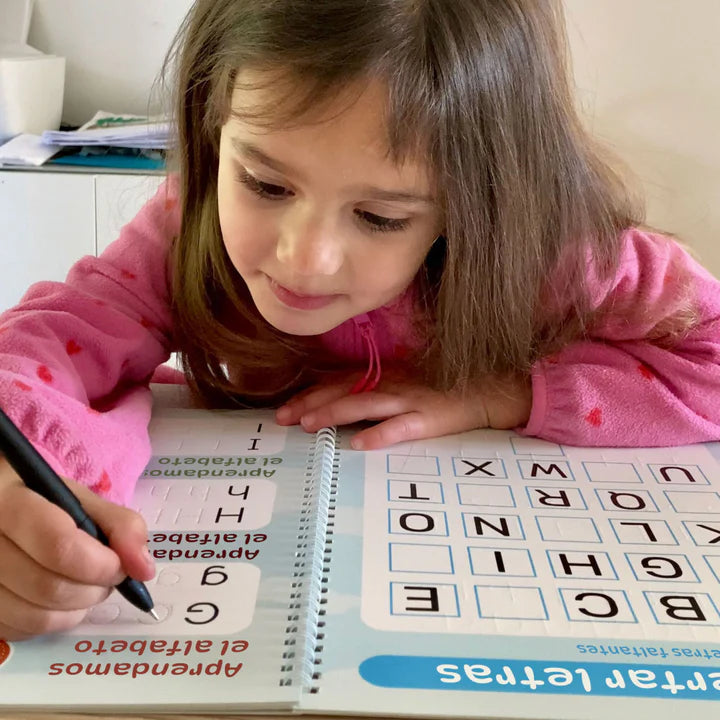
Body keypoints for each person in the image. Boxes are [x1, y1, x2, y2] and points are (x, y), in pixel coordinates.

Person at [0, 0, 718, 640]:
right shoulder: (180, 230)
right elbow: (52, 342)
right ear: (212, 128)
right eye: (264, 183)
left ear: (477, 200)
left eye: (380, 216)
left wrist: (498, 395)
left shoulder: (554, 253)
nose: (305, 260)